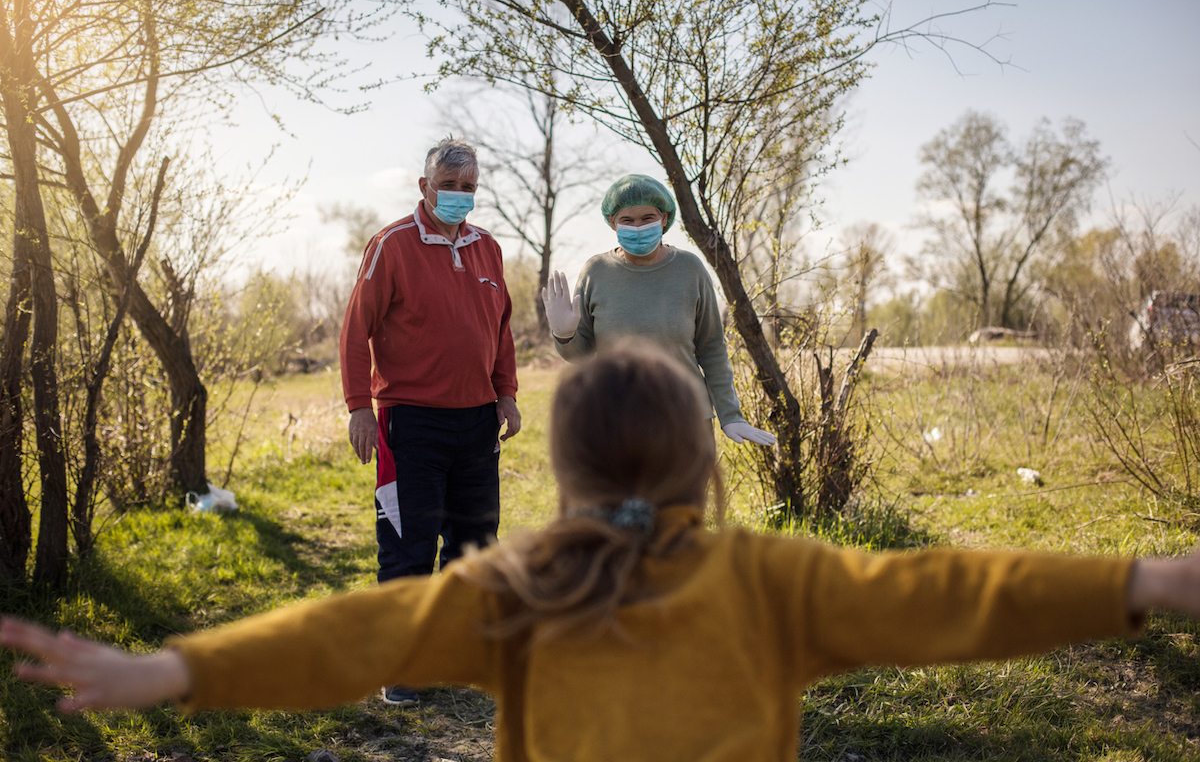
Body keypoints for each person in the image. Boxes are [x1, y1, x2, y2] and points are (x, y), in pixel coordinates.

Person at [5, 341, 1200, 762]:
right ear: (702, 463)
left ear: (566, 474)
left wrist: (170, 670)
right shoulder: (773, 578)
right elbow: (948, 590)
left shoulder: (519, 586)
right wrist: (1143, 580)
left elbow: (353, 632)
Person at [339, 136, 521, 706]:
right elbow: (354, 331)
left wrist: (507, 396)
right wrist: (358, 408)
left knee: (474, 543)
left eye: (469, 188)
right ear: (425, 187)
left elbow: (501, 331)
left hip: (476, 424)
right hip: (409, 423)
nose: (460, 197)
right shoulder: (390, 244)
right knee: (407, 541)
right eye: (450, 186)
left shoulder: (488, 248)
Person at [541, 173, 775, 446]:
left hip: (686, 420)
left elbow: (712, 348)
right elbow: (581, 355)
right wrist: (564, 334)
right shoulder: (596, 272)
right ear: (611, 222)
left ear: (664, 219)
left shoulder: (690, 270)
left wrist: (730, 415)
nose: (638, 227)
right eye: (627, 220)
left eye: (648, 218)